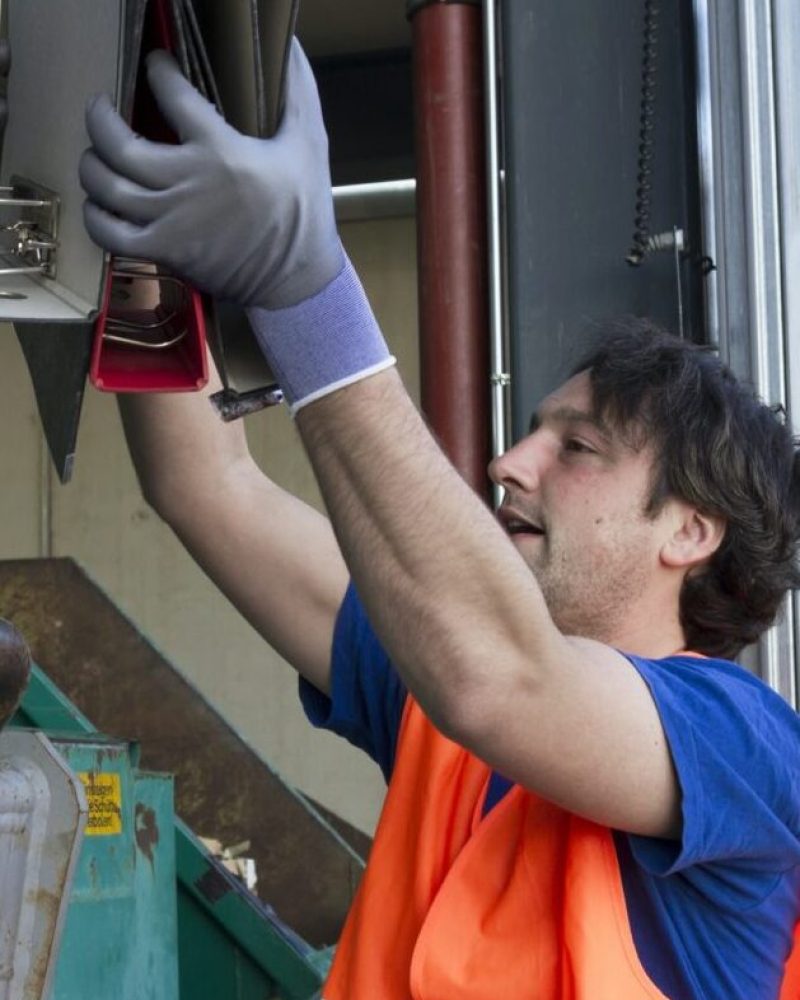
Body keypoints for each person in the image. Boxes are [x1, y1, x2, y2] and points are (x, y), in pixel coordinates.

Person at [79, 40, 800, 1000]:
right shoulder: (440, 697)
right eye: (531, 434)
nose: (508, 463)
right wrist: (144, 237)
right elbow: (207, 486)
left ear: (690, 533)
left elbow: (500, 678)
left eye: (576, 449)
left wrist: (306, 287)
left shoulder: (744, 745)